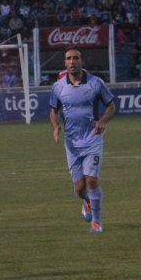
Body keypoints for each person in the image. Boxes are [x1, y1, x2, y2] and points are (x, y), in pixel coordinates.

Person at [49, 46, 116, 233]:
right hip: (71, 143)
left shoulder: (96, 83)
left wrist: (102, 121)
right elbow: (53, 111)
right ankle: (86, 200)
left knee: (92, 180)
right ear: (64, 63)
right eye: (69, 58)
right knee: (79, 188)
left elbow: (111, 106)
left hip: (93, 139)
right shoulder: (58, 86)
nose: (72, 61)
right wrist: (55, 126)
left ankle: (97, 222)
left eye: (76, 58)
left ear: (82, 61)